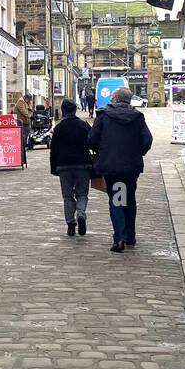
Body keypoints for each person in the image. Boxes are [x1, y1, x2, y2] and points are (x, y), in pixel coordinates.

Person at [87, 86, 153, 253]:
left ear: (115, 99)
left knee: (117, 200)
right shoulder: (137, 117)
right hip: (131, 167)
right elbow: (147, 140)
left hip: (112, 167)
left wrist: (101, 150)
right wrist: (138, 152)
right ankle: (130, 235)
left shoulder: (104, 117)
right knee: (129, 199)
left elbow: (92, 139)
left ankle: (120, 238)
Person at [49, 98, 92, 237]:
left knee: (67, 196)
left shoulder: (59, 128)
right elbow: (93, 142)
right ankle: (80, 213)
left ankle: (70, 224)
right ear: (75, 110)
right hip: (82, 165)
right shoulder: (83, 125)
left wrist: (54, 168)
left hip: (64, 166)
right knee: (82, 193)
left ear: (63, 111)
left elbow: (53, 149)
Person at [13, 91, 32, 167]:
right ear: (26, 98)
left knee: (24, 140)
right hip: (22, 124)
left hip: (25, 123)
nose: (30, 101)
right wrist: (30, 116)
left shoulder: (25, 102)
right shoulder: (20, 101)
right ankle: (20, 158)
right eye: (29, 100)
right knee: (22, 141)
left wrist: (30, 109)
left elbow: (28, 109)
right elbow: (24, 112)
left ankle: (22, 159)